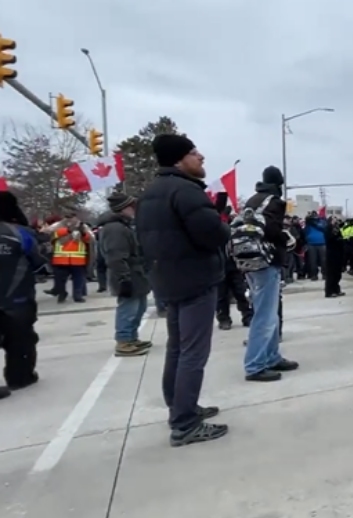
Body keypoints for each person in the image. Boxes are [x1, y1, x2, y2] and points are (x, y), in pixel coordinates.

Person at [135, 134, 228, 447]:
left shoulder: (150, 194)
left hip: (168, 280)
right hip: (195, 280)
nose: (201, 157)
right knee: (193, 352)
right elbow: (213, 234)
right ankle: (184, 423)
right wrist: (221, 220)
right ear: (178, 159)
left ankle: (180, 407)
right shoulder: (186, 191)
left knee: (177, 347)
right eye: (194, 152)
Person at [240, 166, 299, 382]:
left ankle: (272, 357)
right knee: (265, 315)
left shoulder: (253, 200)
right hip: (267, 260)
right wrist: (286, 238)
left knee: (267, 312)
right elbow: (272, 232)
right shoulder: (274, 201)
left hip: (249, 260)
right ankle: (255, 365)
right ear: (279, 184)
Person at [97, 193, 153, 357]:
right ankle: (123, 341)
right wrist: (123, 278)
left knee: (139, 307)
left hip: (135, 273)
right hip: (127, 274)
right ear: (123, 208)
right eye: (132, 206)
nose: (134, 210)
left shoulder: (123, 225)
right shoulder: (115, 229)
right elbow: (115, 256)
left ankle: (131, 338)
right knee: (128, 308)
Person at [0, 191, 44, 399]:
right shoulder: (20, 233)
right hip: (15, 298)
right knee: (20, 340)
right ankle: (20, 377)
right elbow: (38, 261)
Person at [217, 208, 252, 331]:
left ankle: (247, 316)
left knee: (241, 292)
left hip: (234, 266)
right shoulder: (213, 231)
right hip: (219, 267)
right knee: (221, 296)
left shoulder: (233, 229)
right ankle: (224, 318)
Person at [323, 216, 345, 297]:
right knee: (331, 273)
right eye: (334, 219)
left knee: (337, 273)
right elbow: (329, 238)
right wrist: (336, 238)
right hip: (331, 253)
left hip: (338, 253)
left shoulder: (337, 228)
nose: (336, 220)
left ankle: (336, 289)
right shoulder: (328, 228)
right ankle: (329, 291)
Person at [304, 211, 326, 280]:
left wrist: (315, 224)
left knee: (324, 261)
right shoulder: (308, 223)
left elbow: (324, 227)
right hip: (311, 244)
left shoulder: (322, 221)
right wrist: (308, 219)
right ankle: (314, 275)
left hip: (322, 243)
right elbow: (305, 231)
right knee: (312, 261)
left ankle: (325, 274)